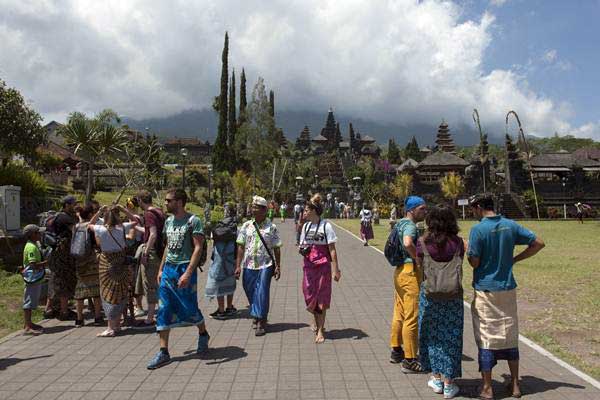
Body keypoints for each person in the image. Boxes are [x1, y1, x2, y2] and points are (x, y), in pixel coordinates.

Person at [467, 194, 545, 400]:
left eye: (472, 209)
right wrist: (514, 259)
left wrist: (472, 255)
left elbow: (474, 262)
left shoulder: (477, 230)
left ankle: (487, 387)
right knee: (510, 334)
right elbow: (538, 243)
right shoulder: (510, 225)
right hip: (507, 287)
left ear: (478, 207)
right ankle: (516, 385)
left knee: (486, 338)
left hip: (486, 289)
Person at [147, 188, 209, 370]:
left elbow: (198, 248)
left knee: (189, 308)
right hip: (168, 270)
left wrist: (188, 272)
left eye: (169, 201)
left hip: (184, 268)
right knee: (164, 308)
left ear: (180, 202)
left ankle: (203, 333)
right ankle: (163, 352)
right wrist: (161, 269)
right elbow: (167, 247)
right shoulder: (168, 221)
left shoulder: (193, 221)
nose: (165, 203)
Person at [416, 206, 466, 399]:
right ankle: (449, 383)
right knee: (451, 338)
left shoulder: (422, 243)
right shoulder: (458, 243)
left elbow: (420, 264)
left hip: (429, 297)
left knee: (431, 336)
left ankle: (436, 378)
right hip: (453, 297)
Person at [235, 195, 282, 336]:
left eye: (255, 207)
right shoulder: (246, 225)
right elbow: (241, 246)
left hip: (266, 264)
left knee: (262, 291)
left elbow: (277, 248)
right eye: (252, 206)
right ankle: (257, 313)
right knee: (249, 289)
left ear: (263, 210)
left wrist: (278, 266)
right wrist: (238, 265)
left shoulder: (271, 227)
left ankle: (261, 320)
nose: (252, 209)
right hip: (248, 265)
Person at [389, 195, 427, 373]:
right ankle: (410, 359)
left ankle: (396, 350)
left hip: (399, 273)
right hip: (410, 273)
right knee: (411, 317)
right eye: (422, 209)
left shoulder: (400, 223)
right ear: (411, 210)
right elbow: (407, 242)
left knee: (399, 313)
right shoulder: (410, 226)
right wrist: (417, 257)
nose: (425, 212)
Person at [88, 205, 137, 337]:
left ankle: (111, 327)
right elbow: (136, 221)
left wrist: (99, 211)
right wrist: (123, 209)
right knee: (120, 292)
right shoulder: (122, 228)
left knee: (108, 292)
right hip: (120, 261)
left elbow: (90, 224)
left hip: (106, 262)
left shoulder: (100, 229)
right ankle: (117, 324)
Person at [299, 194, 341, 344]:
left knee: (322, 296)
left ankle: (320, 329)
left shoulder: (326, 226)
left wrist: (336, 269)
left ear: (313, 211)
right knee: (308, 293)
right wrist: (303, 249)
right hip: (308, 266)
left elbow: (332, 249)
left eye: (306, 210)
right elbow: (303, 244)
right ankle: (315, 318)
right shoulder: (306, 226)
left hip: (323, 266)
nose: (304, 212)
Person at [135, 190, 165, 328]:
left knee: (150, 284)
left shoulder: (148, 214)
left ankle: (150, 318)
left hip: (152, 252)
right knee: (157, 283)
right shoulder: (159, 211)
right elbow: (152, 232)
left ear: (141, 200)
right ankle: (161, 312)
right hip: (160, 251)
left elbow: (152, 235)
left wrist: (145, 253)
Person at [47, 195, 78, 320]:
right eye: (73, 204)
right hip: (63, 255)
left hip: (59, 254)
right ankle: (64, 311)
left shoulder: (60, 216)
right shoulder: (65, 218)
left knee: (55, 280)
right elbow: (76, 230)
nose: (75, 206)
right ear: (66, 205)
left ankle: (49, 309)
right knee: (64, 281)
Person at [206, 204, 238, 319]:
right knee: (230, 283)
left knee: (219, 284)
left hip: (219, 260)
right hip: (231, 260)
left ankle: (221, 310)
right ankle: (229, 307)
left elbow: (211, 239)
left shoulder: (218, 226)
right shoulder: (235, 227)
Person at [73, 205, 103, 327]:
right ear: (90, 214)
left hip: (79, 261)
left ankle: (79, 319)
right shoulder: (91, 227)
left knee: (80, 292)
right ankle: (97, 317)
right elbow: (98, 243)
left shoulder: (76, 227)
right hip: (91, 261)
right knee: (95, 291)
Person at [21, 224, 47, 335]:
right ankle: (27, 326)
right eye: (38, 233)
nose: (40, 234)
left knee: (32, 301)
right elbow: (32, 264)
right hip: (32, 277)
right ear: (32, 235)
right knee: (28, 302)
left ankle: (29, 323)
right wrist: (46, 263)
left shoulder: (33, 244)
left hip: (35, 278)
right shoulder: (31, 247)